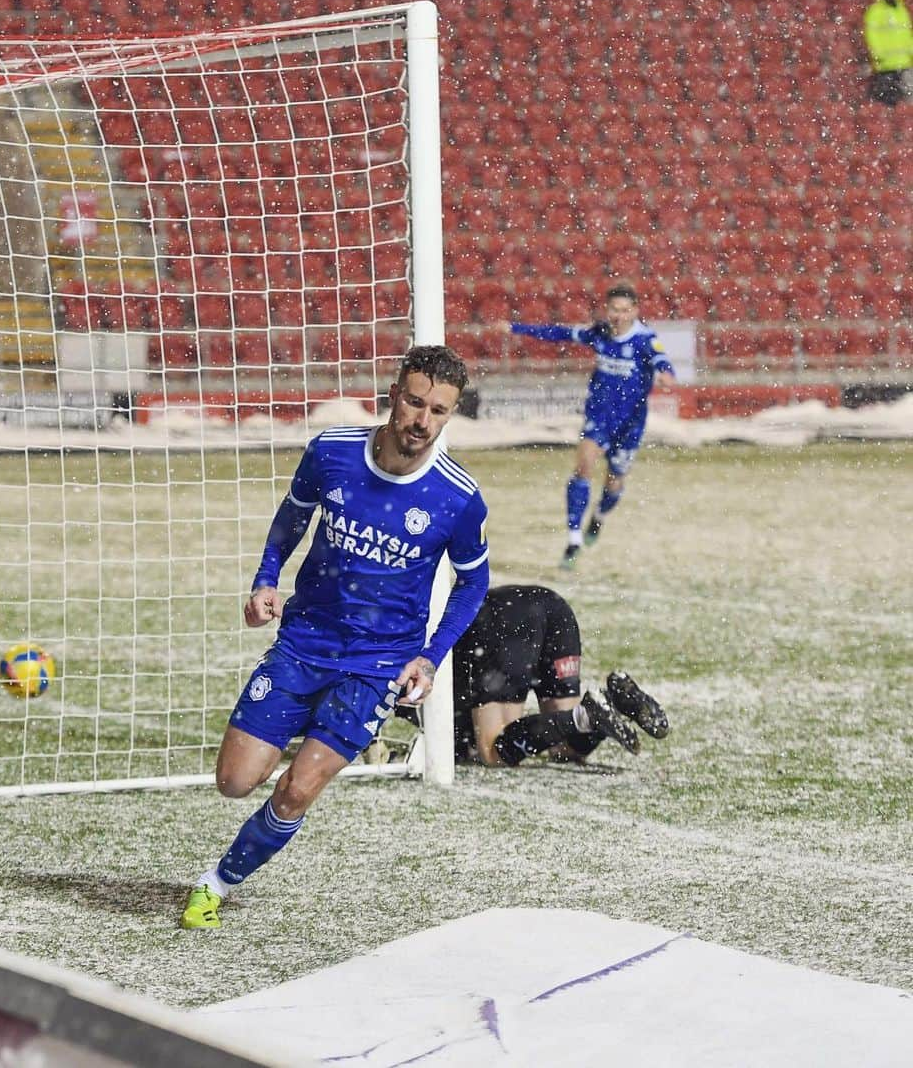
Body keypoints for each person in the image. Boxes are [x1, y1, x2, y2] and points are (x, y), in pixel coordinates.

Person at [181, 345, 490, 930]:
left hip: (377, 666)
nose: (423, 421)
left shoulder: (458, 498)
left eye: (439, 411)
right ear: (394, 395)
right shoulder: (333, 453)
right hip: (303, 644)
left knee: (297, 792)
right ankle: (295, 728)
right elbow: (291, 517)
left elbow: (473, 586)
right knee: (235, 781)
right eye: (416, 403)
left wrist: (429, 657)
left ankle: (216, 883)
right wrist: (265, 581)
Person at [503, 283, 676, 570]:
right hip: (599, 417)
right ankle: (573, 538)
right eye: (614, 310)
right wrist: (516, 328)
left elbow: (662, 360)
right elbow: (559, 333)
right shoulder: (599, 333)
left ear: (635, 311)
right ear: (606, 310)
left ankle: (599, 517)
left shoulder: (645, 339)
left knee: (615, 481)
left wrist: (666, 374)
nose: (618, 315)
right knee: (583, 467)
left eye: (624, 310)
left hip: (630, 423)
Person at [447, 584, 668, 767]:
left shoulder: (434, 704)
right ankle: (612, 705)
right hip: (553, 606)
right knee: (564, 748)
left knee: (494, 752)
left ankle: (588, 715)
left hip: (504, 618)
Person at [863, 0, 913, 105]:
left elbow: (907, 36)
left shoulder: (901, 10)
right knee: (889, 102)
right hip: (886, 66)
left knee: (902, 104)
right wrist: (878, 55)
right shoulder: (876, 11)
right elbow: (871, 36)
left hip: (903, 64)